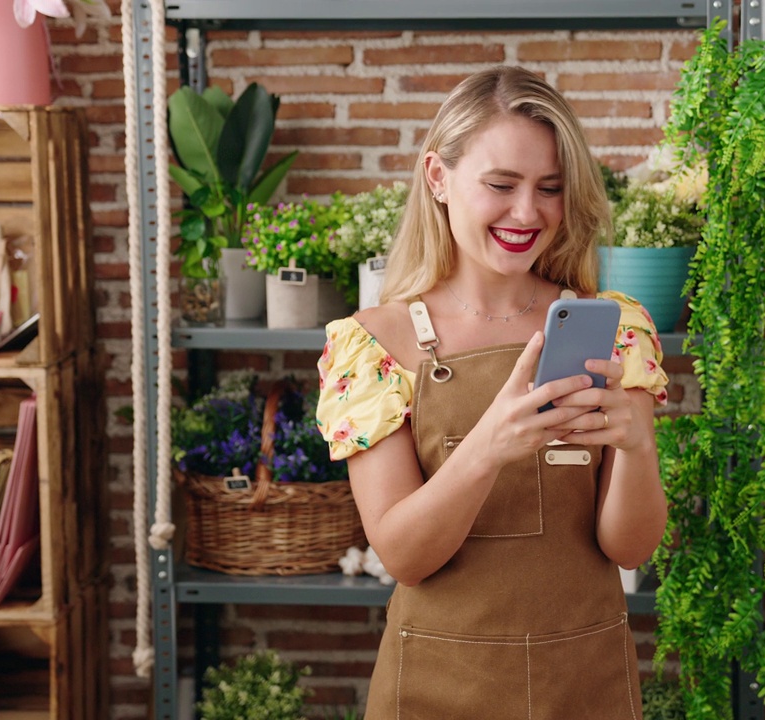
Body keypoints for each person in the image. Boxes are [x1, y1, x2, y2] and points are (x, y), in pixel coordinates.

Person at [316, 65, 669, 719]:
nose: (527, 212)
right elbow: (404, 556)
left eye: (550, 188)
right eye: (501, 185)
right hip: (434, 686)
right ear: (438, 178)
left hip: (582, 681)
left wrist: (636, 444)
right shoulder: (372, 346)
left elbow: (630, 548)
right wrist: (490, 445)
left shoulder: (616, 330)